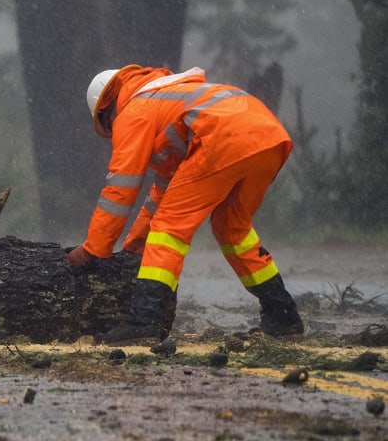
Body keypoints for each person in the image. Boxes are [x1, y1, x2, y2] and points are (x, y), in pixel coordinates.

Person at [67, 64, 305, 344]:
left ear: (107, 110)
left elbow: (121, 189)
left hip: (224, 136)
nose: (113, 131)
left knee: (169, 228)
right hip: (267, 135)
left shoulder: (133, 110)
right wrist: (134, 246)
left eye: (108, 126)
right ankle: (283, 315)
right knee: (233, 229)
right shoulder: (168, 99)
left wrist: (94, 248)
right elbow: (163, 194)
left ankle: (144, 321)